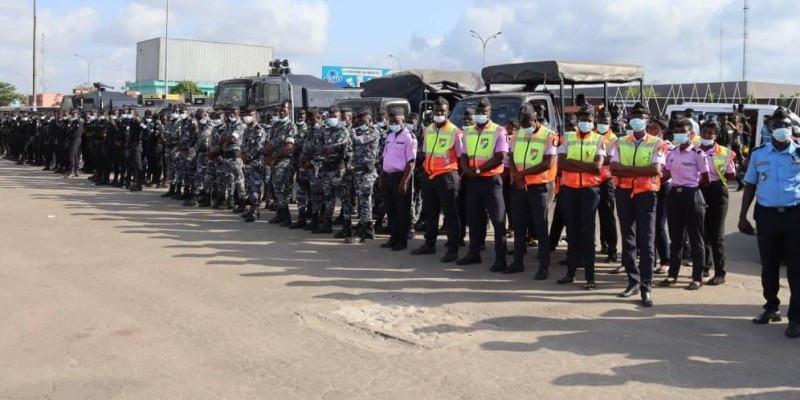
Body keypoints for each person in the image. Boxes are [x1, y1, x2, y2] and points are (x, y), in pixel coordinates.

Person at [739, 107, 800, 338]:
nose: (780, 130)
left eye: (784, 126)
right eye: (776, 126)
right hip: (766, 216)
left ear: (791, 128)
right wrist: (742, 215)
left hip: (795, 216)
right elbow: (750, 186)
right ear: (769, 129)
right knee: (769, 265)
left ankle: (795, 318)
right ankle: (771, 307)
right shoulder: (759, 154)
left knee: (796, 268)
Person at [610, 103, 666, 307]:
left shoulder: (657, 143)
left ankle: (646, 287)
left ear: (648, 120)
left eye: (641, 116)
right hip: (624, 193)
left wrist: (628, 170)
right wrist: (639, 170)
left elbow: (654, 169)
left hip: (646, 194)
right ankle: (632, 281)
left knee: (647, 241)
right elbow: (614, 168)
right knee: (628, 239)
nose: (637, 119)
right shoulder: (620, 142)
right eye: (634, 116)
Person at [556, 104, 607, 289]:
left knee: (588, 233)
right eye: (582, 119)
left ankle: (590, 278)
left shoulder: (599, 139)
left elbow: (597, 166)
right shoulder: (567, 137)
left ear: (593, 121)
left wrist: (573, 162)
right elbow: (561, 164)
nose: (584, 122)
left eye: (588, 120)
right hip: (570, 189)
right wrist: (584, 164)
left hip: (589, 191)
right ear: (577, 121)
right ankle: (570, 273)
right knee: (572, 232)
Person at [456, 97, 509, 272]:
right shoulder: (468, 131)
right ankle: (474, 253)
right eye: (478, 111)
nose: (480, 115)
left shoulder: (498, 131)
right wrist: (467, 170)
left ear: (489, 113)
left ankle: (500, 259)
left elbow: (500, 156)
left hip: (491, 181)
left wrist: (478, 170)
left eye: (483, 112)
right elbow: (463, 154)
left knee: (498, 220)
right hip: (473, 181)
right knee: (474, 219)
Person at [506, 105, 557, 279]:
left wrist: (523, 174)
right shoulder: (518, 134)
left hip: (539, 187)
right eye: (522, 124)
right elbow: (511, 157)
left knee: (540, 227)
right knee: (518, 226)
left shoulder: (549, 136)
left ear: (535, 120)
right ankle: (518, 262)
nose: (525, 126)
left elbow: (547, 163)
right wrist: (515, 175)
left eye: (528, 123)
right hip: (520, 186)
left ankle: (544, 266)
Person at [659, 118, 709, 290]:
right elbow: (666, 175)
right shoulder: (671, 154)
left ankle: (697, 277)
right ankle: (672, 275)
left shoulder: (697, 153)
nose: (679, 135)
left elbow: (705, 179)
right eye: (677, 132)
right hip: (674, 196)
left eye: (683, 132)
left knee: (696, 239)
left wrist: (691, 189)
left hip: (692, 195)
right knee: (676, 238)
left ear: (691, 134)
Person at [411, 98, 463, 262]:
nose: (439, 114)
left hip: (447, 176)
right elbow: (427, 153)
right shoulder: (428, 130)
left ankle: (453, 249)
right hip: (429, 176)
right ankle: (429, 244)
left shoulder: (456, 132)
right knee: (430, 213)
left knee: (451, 215)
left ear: (448, 113)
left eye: (442, 111)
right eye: (436, 111)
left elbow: (462, 157)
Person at [698, 120, 736, 285]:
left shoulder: (724, 152)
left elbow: (731, 174)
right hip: (699, 190)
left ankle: (720, 273)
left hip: (718, 191)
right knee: (702, 231)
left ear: (716, 134)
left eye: (711, 133)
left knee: (717, 234)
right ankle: (705, 267)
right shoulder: (694, 150)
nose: (707, 135)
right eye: (705, 132)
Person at [379, 109, 416, 251]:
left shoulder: (409, 137)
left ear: (403, 122)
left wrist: (404, 182)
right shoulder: (390, 136)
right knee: (391, 209)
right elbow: (385, 158)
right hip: (389, 176)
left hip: (401, 177)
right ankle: (393, 237)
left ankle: (402, 240)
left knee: (402, 211)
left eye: (397, 122)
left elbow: (411, 162)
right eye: (391, 121)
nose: (393, 124)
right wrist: (382, 177)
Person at [346, 108, 381, 242]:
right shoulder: (359, 131)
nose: (359, 122)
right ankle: (363, 224)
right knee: (362, 201)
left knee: (366, 200)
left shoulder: (373, 132)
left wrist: (352, 131)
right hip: (358, 170)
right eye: (358, 120)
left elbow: (358, 141)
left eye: (362, 120)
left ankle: (367, 228)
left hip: (367, 172)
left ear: (370, 120)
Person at [265, 101, 297, 226]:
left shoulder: (291, 126)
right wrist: (267, 154)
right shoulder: (276, 125)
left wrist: (274, 157)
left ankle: (286, 217)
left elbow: (288, 147)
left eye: (284, 110)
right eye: (280, 110)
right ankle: (280, 214)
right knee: (277, 189)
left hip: (284, 162)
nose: (282, 112)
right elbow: (270, 142)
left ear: (289, 111)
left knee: (283, 189)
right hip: (275, 161)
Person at [596, 109, 619, 263]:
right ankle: (602, 244)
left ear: (610, 123)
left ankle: (612, 250)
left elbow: (609, 159)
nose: (603, 125)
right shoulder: (592, 135)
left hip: (605, 181)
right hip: (591, 181)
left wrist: (590, 162)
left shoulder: (613, 139)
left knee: (608, 217)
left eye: (606, 123)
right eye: (600, 122)